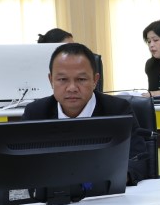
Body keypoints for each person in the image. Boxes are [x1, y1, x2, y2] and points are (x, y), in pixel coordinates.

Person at [21, 42, 151, 184]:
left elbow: (139, 160)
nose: (72, 88)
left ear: (95, 80)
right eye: (63, 79)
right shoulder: (36, 113)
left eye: (81, 79)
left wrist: (115, 177)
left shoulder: (118, 110)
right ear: (51, 80)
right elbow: (20, 164)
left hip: (104, 192)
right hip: (52, 193)